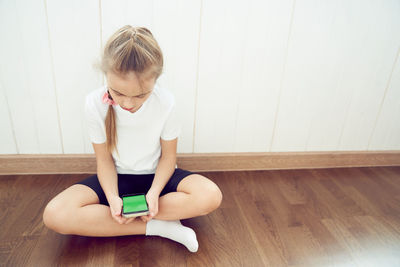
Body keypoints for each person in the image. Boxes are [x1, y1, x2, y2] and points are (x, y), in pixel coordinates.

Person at [42, 25, 223, 253]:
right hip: (116, 179)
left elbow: (168, 158)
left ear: (156, 80)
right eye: (118, 93)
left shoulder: (166, 103)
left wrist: (155, 193)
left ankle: (142, 217)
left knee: (210, 195)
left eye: (140, 95)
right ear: (106, 75)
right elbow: (104, 161)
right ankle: (158, 226)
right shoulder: (93, 103)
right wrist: (113, 197)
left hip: (158, 178)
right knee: (55, 214)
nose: (128, 104)